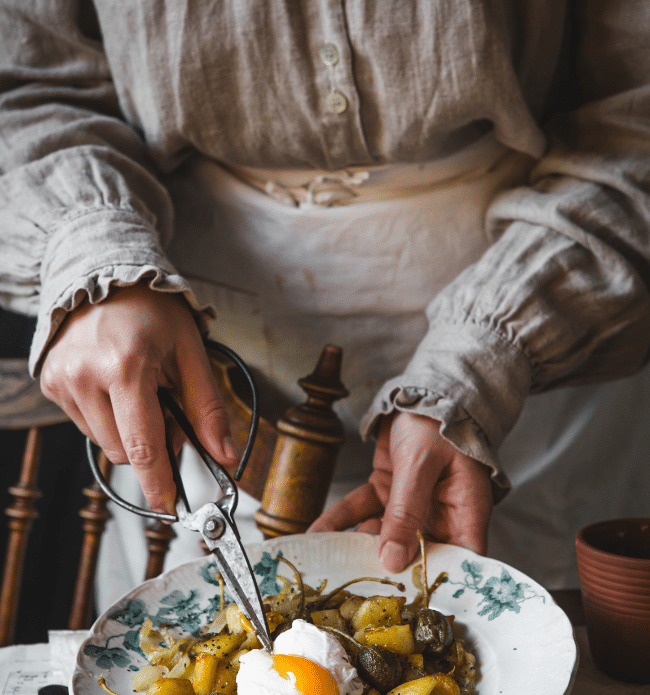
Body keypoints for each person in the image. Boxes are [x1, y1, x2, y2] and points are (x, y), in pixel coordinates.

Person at [2, 0, 650, 607]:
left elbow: (636, 118)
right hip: (192, 352)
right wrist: (91, 254)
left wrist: (487, 358)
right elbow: (23, 83)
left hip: (548, 319)